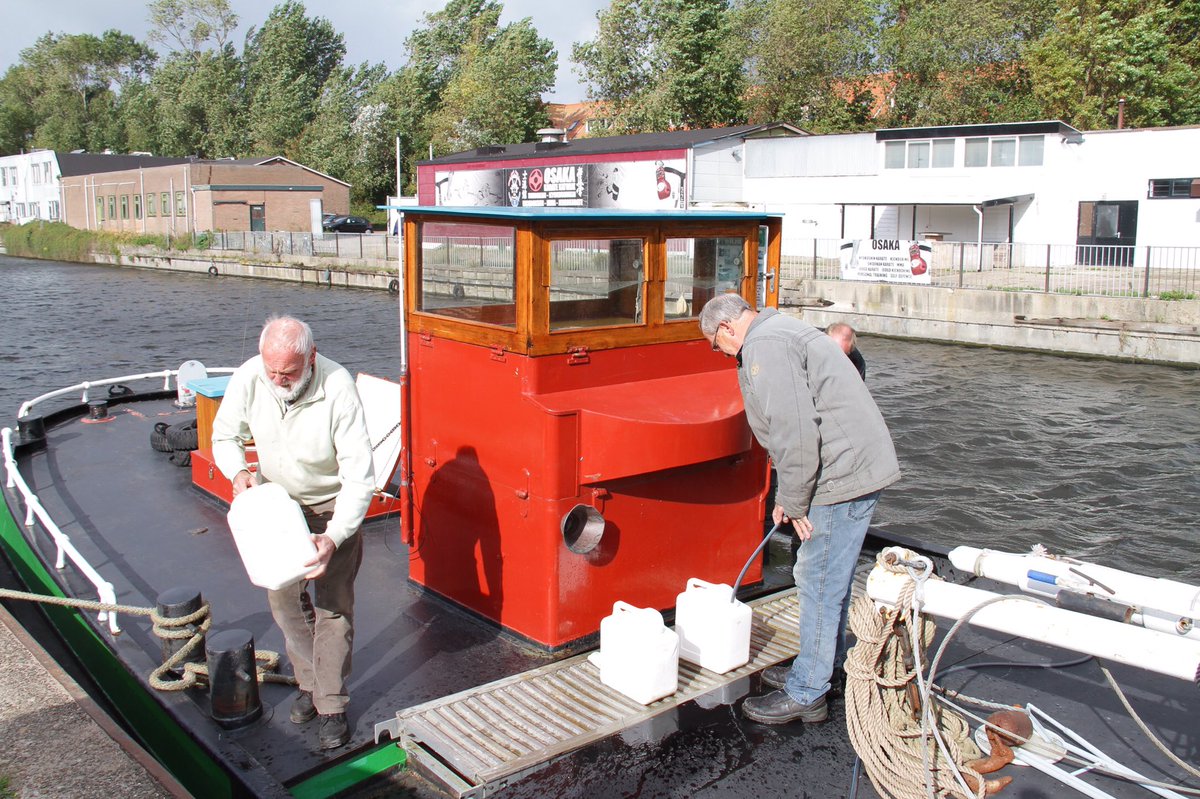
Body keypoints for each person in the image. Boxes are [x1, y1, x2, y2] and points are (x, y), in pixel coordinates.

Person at [700, 294, 899, 724]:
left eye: (717, 346)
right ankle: (826, 667)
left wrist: (792, 499)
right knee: (831, 577)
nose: (722, 355)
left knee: (818, 578)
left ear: (726, 329)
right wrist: (791, 498)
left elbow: (795, 430)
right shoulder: (781, 330)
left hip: (841, 476)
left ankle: (808, 690)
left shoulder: (764, 345)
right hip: (851, 466)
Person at [211, 315, 375, 750]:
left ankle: (332, 706)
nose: (278, 380)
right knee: (284, 601)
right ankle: (308, 682)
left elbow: (360, 478)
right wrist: (239, 472)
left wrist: (335, 536)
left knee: (332, 608)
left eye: (288, 372)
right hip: (278, 507)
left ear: (312, 358)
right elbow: (225, 436)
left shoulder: (339, 388)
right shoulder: (251, 376)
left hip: (328, 509)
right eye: (272, 371)